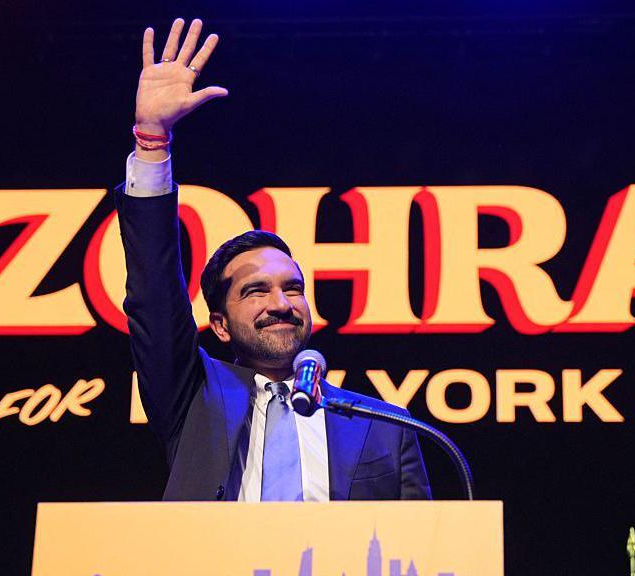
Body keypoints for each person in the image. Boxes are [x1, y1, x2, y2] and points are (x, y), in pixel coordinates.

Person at [119, 18, 431, 501]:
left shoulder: (383, 425)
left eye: (292, 287)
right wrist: (153, 141)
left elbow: (417, 555)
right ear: (220, 325)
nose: (281, 302)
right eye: (255, 290)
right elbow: (154, 297)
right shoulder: (195, 398)